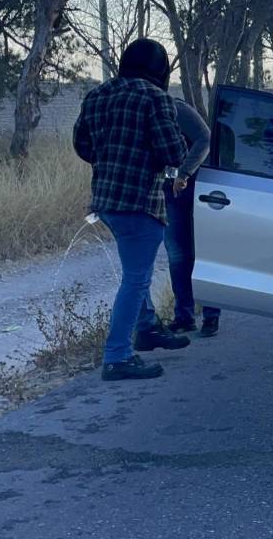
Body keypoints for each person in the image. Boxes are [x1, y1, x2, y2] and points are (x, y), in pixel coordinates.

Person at [73, 38, 188, 381]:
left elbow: (81, 144)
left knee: (133, 273)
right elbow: (174, 153)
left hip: (106, 202)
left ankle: (148, 328)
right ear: (160, 70)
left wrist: (110, 159)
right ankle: (117, 356)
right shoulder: (156, 98)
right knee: (136, 280)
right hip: (141, 203)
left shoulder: (97, 94)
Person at [137, 97, 222, 339]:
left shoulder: (176, 108)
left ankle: (211, 315)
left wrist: (185, 172)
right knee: (177, 256)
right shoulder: (140, 111)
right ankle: (184, 317)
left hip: (198, 188)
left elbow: (205, 138)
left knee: (203, 253)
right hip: (168, 191)